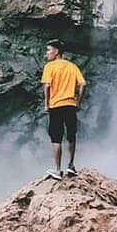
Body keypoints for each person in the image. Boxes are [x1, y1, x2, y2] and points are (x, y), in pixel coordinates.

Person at [41, 38, 86, 180]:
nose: (47, 53)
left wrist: (46, 104)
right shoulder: (72, 66)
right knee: (71, 135)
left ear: (56, 52)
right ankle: (71, 166)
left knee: (56, 138)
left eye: (48, 50)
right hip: (70, 105)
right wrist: (78, 102)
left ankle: (57, 170)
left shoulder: (50, 67)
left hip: (56, 106)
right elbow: (83, 84)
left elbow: (47, 86)